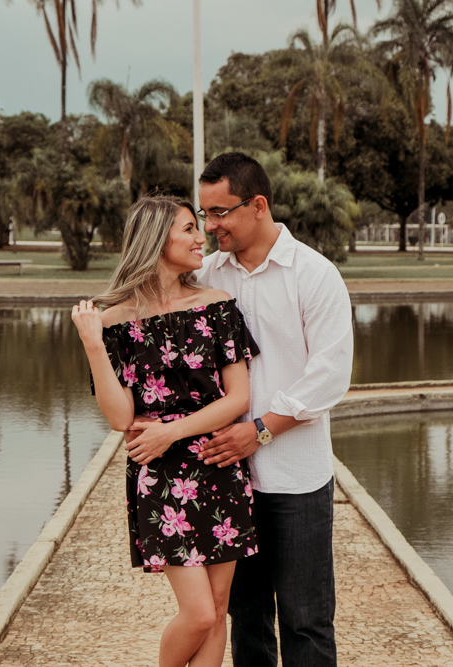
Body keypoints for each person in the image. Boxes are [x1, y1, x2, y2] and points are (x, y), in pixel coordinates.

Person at [71, 195, 262, 667]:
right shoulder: (112, 322)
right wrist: (93, 344)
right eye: (189, 229)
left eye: (199, 227)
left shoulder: (218, 307)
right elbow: (120, 418)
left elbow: (238, 399)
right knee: (198, 614)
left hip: (219, 464)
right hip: (161, 475)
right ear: (157, 239)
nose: (202, 238)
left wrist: (171, 432)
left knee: (218, 609)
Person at [194, 152, 354, 667]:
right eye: (204, 214)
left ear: (258, 205)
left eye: (221, 212)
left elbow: (329, 376)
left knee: (306, 620)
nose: (210, 226)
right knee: (247, 619)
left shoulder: (315, 274)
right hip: (226, 478)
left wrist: (259, 430)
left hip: (296, 478)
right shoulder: (205, 276)